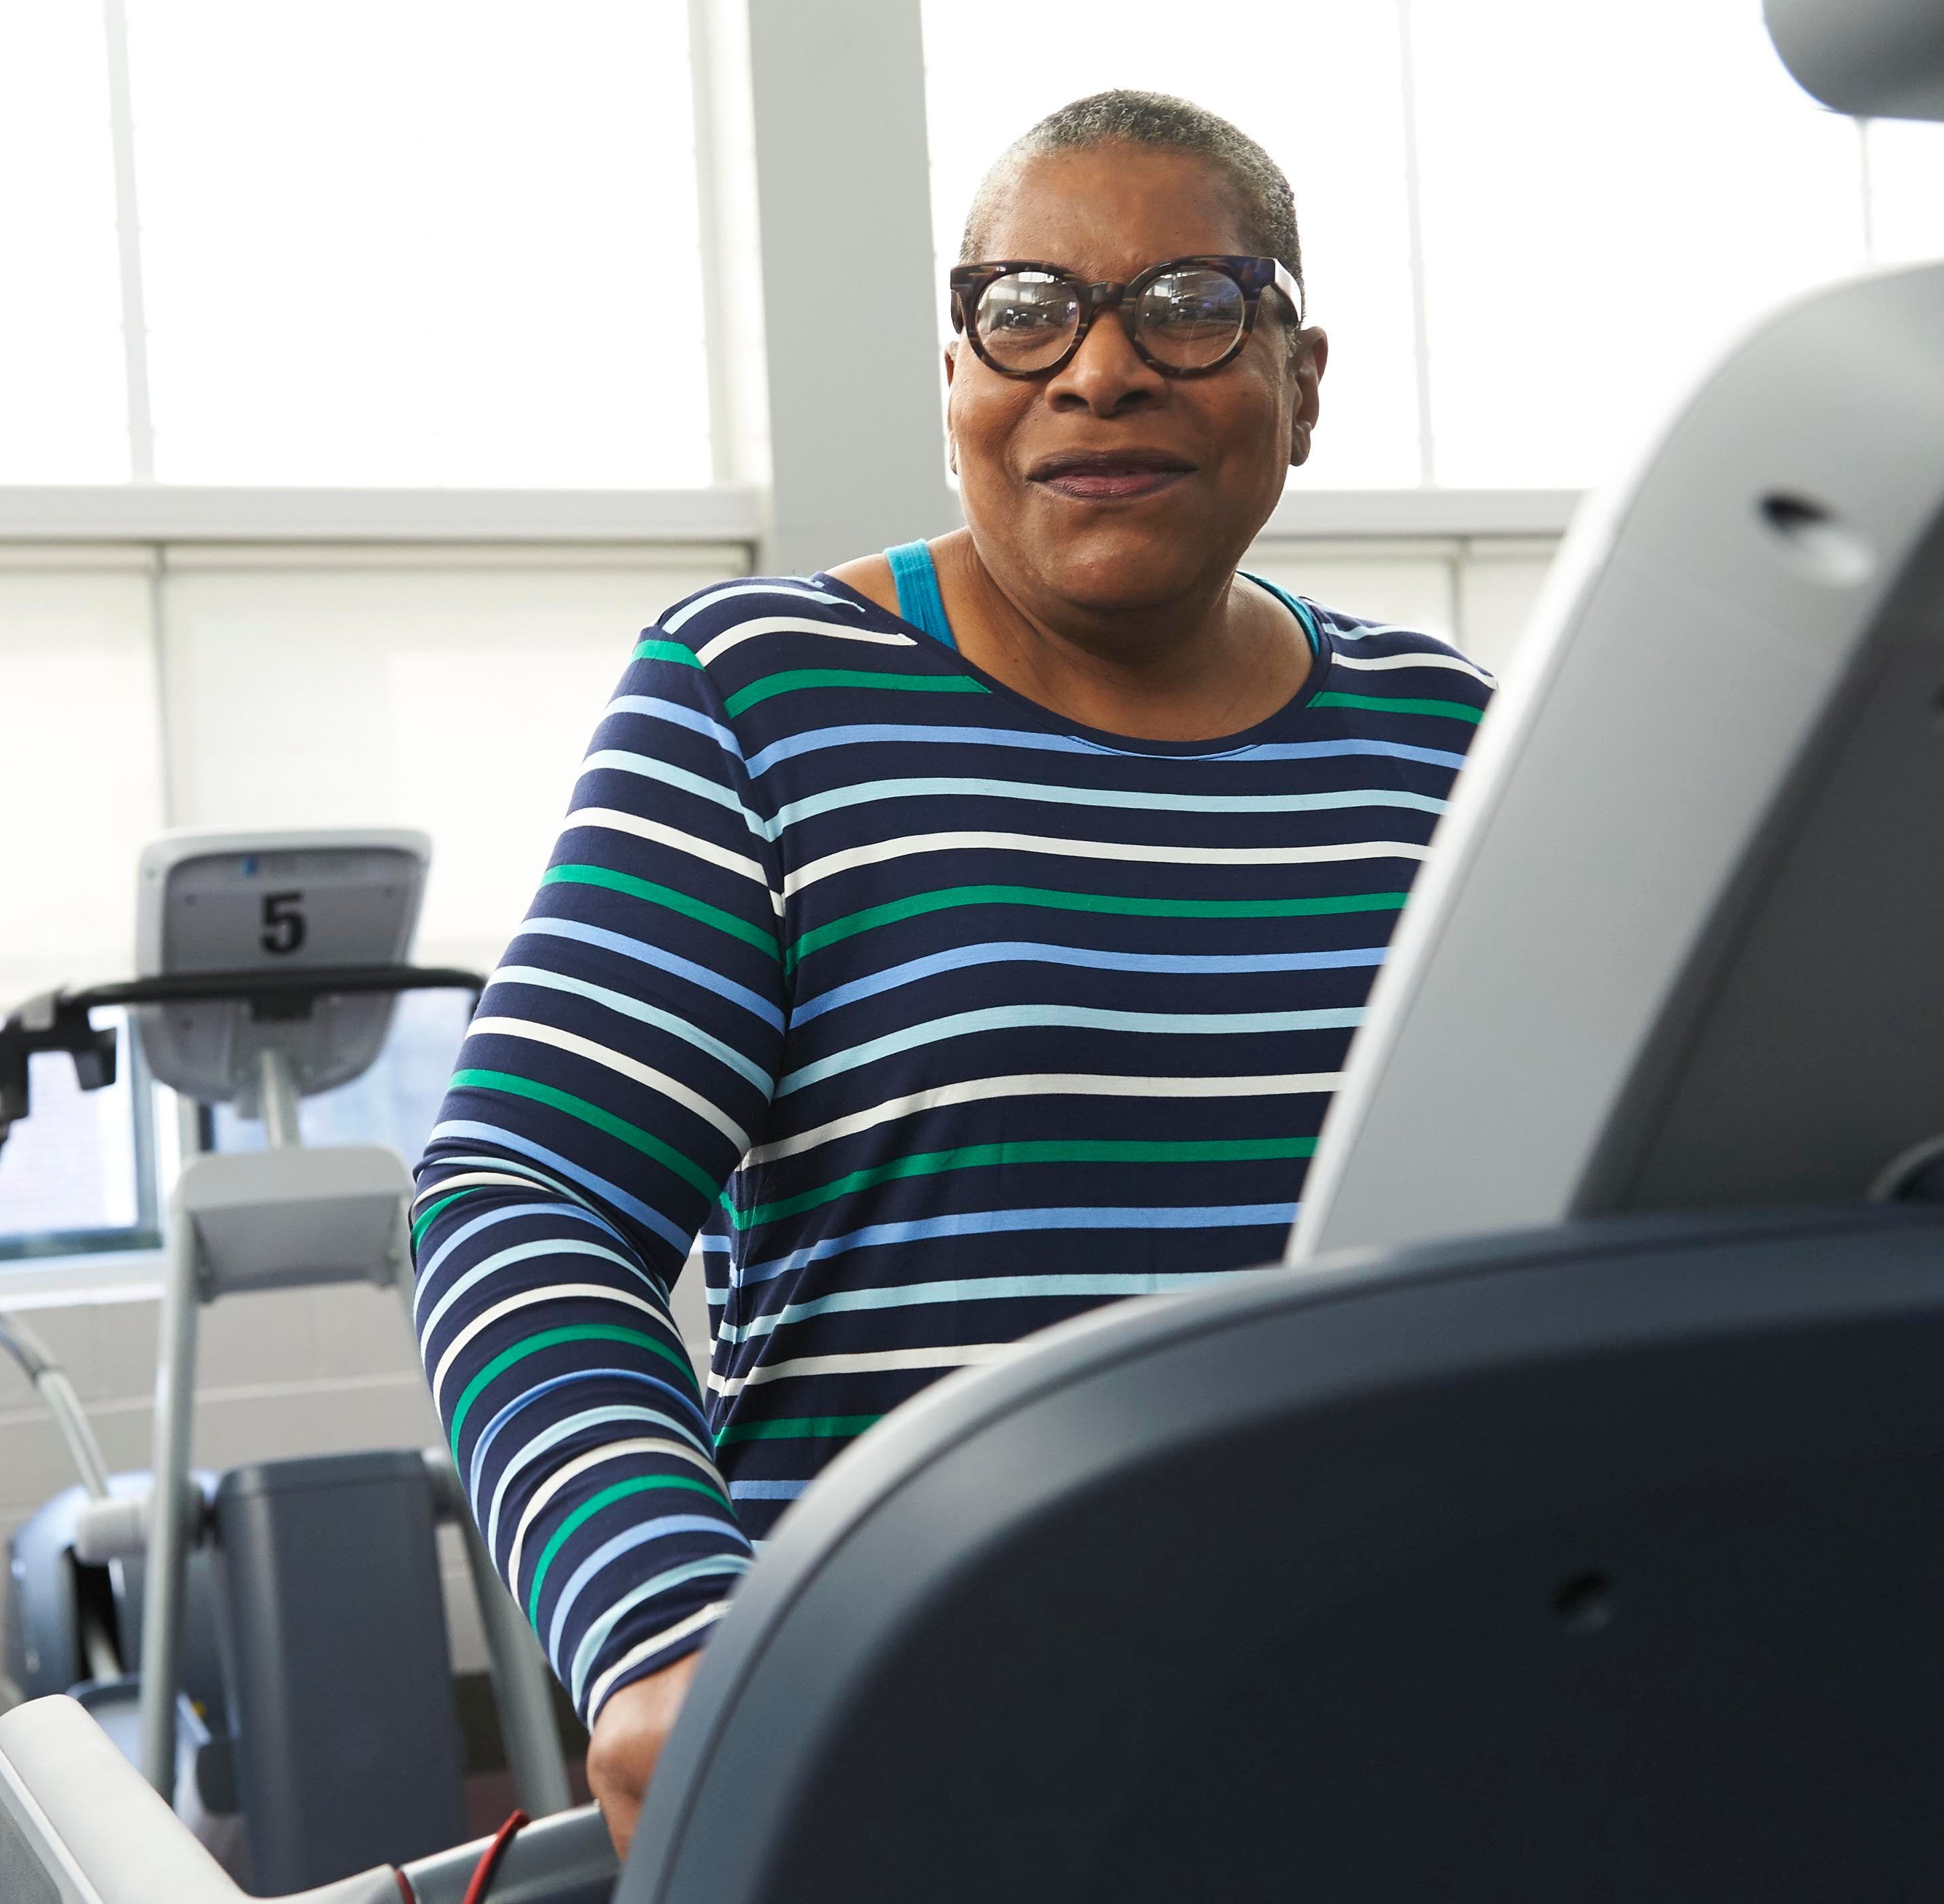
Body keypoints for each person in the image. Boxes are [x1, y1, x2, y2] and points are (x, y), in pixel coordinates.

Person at [409, 88, 1491, 1858]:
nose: (1099, 370)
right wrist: (669, 1631)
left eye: (1192, 307)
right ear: (957, 380)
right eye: (1026, 309)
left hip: (1366, 1705)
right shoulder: (761, 694)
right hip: (894, 1729)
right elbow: (525, 1199)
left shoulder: (1441, 737)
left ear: (1301, 377)